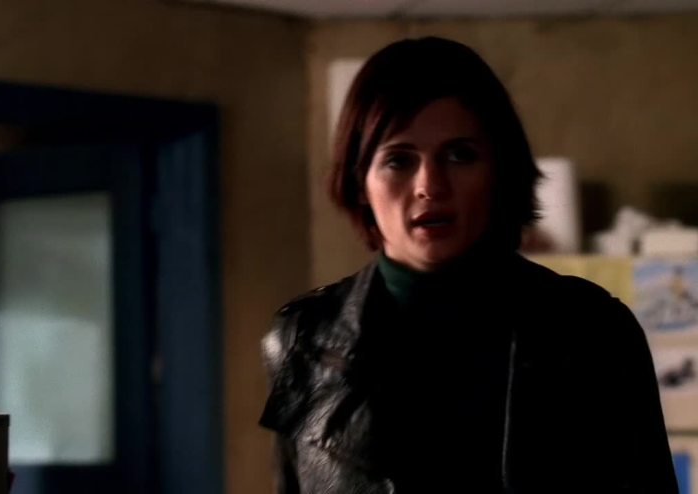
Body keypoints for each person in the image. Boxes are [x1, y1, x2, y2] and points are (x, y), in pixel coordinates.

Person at [259, 36, 677, 493]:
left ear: (499, 170)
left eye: (460, 155)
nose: (430, 185)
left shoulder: (592, 330)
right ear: (360, 182)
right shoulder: (305, 338)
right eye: (399, 160)